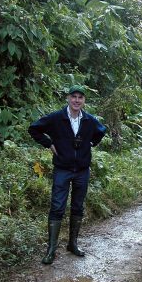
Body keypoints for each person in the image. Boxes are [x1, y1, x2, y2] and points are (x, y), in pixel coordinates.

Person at [28, 85, 106, 265]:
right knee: (57, 207)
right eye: (74, 97)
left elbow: (101, 131)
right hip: (62, 169)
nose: (77, 100)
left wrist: (90, 144)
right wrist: (49, 144)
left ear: (84, 100)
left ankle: (73, 244)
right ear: (68, 99)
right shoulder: (57, 118)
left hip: (82, 171)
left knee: (78, 207)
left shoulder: (89, 120)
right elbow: (34, 129)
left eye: (80, 97)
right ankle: (51, 250)